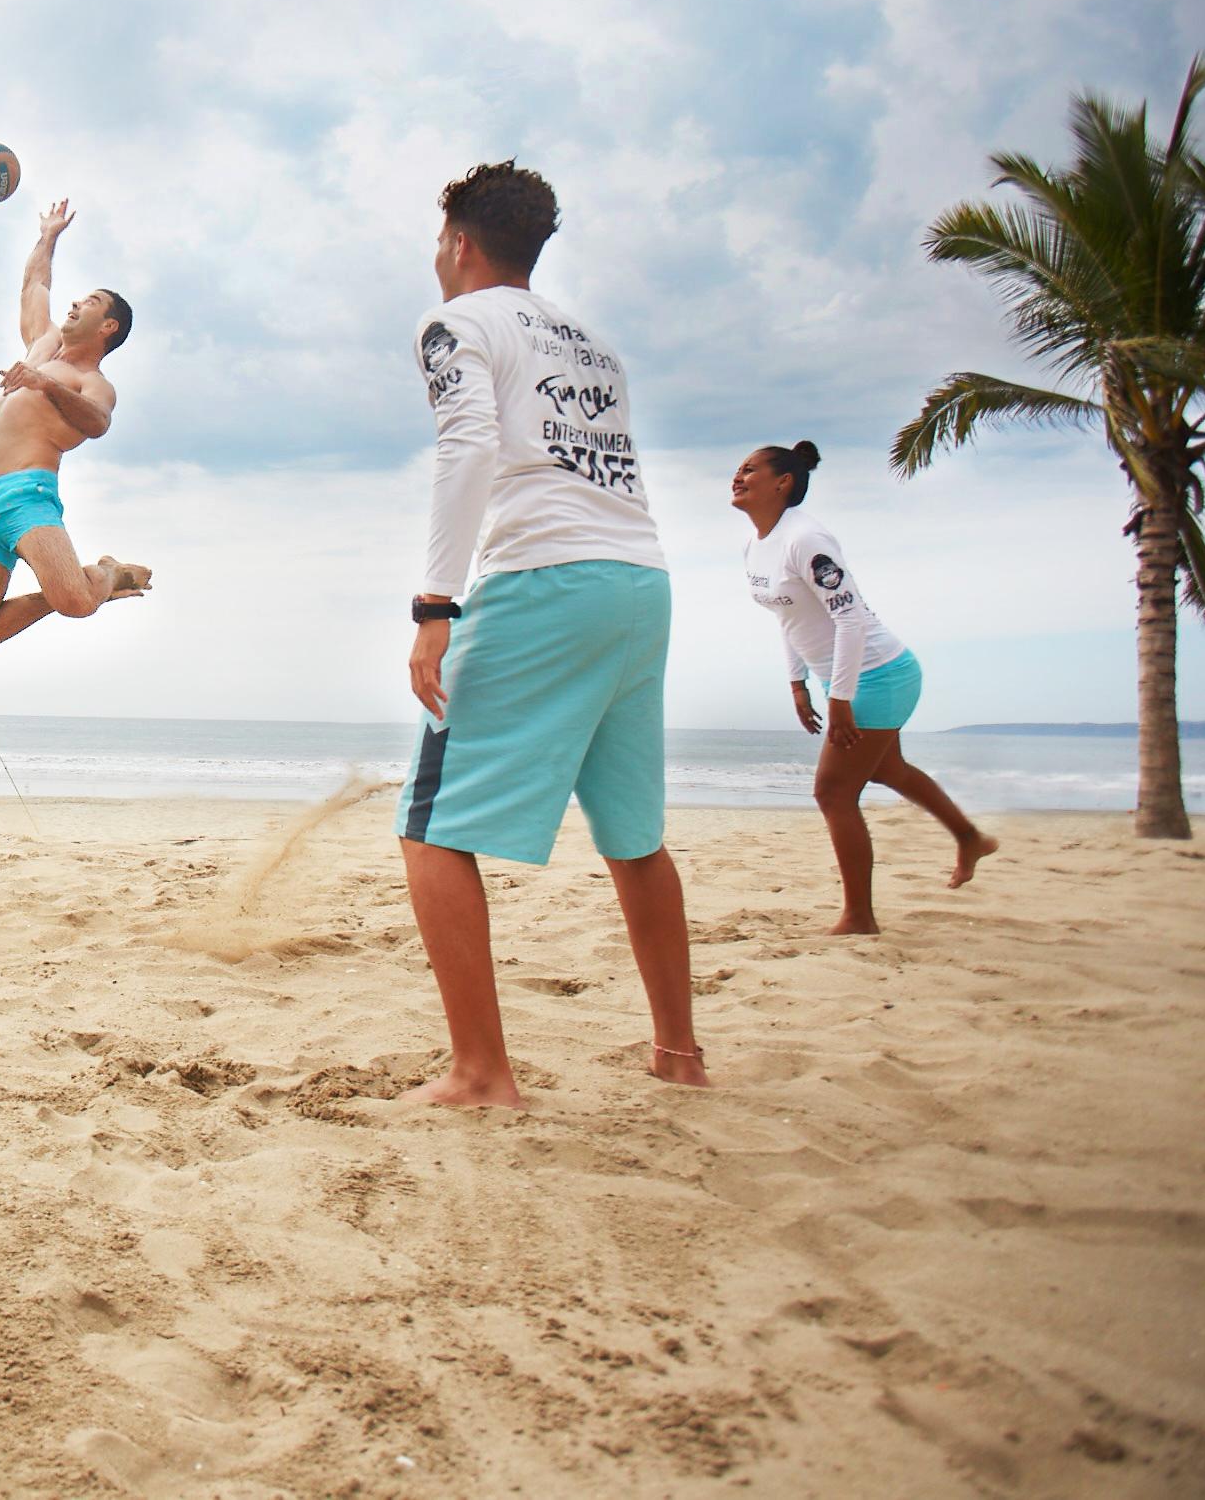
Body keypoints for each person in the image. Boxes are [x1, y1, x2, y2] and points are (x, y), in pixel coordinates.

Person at [397, 161, 708, 1108]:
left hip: (546, 581)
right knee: (633, 835)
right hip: (639, 582)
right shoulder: (594, 343)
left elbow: (470, 446)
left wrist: (435, 606)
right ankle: (678, 1054)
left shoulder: (456, 322)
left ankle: (482, 1072)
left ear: (458, 242)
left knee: (432, 830)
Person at [733, 442, 998, 933]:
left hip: (877, 674)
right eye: (738, 469)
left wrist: (841, 700)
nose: (737, 476)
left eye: (749, 469)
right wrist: (798, 684)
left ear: (782, 482)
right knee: (888, 769)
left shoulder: (806, 538)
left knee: (833, 792)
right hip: (846, 676)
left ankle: (859, 917)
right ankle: (968, 837)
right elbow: (787, 615)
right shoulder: (757, 545)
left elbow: (850, 617)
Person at [0, 199, 149, 654]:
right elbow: (35, 283)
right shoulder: (43, 342)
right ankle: (67, 588)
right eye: (79, 299)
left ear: (108, 327)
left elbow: (97, 422)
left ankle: (103, 575)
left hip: (27, 496)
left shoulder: (92, 382)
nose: (76, 304)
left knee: (77, 604)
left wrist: (44, 384)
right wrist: (48, 237)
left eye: (91, 303)